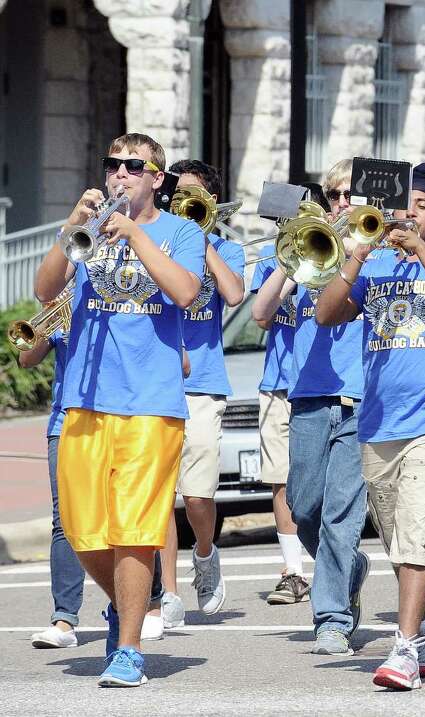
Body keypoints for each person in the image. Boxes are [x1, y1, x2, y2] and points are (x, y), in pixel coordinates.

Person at [34, 132, 205, 686]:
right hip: (83, 401)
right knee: (83, 533)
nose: (120, 174)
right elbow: (44, 292)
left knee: (134, 529)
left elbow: (184, 292)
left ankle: (129, 646)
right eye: (113, 165)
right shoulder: (90, 229)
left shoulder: (180, 231)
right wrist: (70, 226)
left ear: (157, 177)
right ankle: (126, 605)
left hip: (150, 404)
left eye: (134, 166)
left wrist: (135, 235)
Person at [316, 163, 425, 690]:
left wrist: (422, 251)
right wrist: (358, 252)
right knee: (396, 540)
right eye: (403, 205)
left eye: (422, 206)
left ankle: (404, 647)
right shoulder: (374, 264)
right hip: (381, 421)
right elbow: (325, 314)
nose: (408, 213)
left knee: (418, 534)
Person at [251, 159, 369, 656]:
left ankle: (332, 618)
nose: (342, 203)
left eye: (351, 195)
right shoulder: (304, 251)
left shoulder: (374, 251)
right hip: (308, 393)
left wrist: (360, 250)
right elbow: (259, 313)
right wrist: (290, 254)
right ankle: (350, 571)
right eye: (335, 194)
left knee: (341, 513)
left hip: (361, 397)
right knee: (303, 508)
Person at [153, 160, 245, 625]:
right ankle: (168, 591)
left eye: (194, 197)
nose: (182, 204)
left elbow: (233, 295)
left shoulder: (225, 248)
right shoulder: (154, 241)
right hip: (158, 381)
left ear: (209, 202)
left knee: (198, 495)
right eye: (178, 195)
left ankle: (205, 554)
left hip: (204, 382)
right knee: (161, 493)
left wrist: (200, 239)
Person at [250, 213, 309, 606]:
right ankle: (294, 571)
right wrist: (289, 260)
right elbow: (262, 315)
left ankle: (337, 563)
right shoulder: (274, 258)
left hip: (320, 384)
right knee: (280, 480)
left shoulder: (340, 251)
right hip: (278, 381)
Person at [23, 319, 86, 649]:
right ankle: (64, 620)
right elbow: (26, 359)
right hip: (64, 423)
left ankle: (149, 602)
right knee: (64, 522)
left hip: (113, 417)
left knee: (124, 516)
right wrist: (47, 323)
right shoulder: (60, 305)